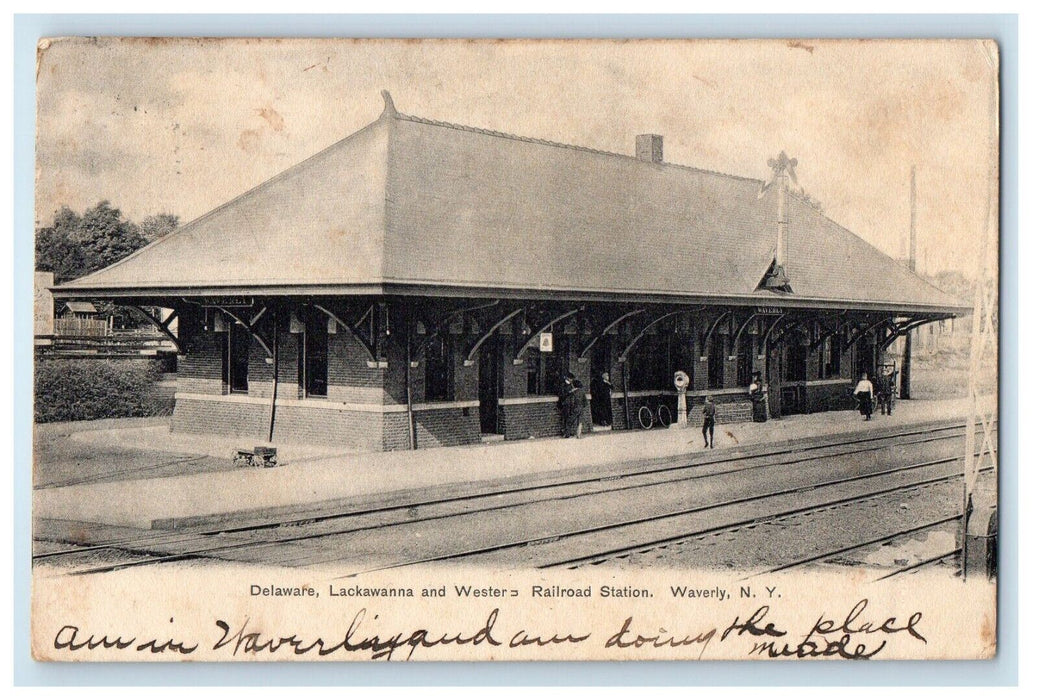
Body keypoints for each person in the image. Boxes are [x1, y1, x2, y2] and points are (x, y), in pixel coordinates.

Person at [559, 372, 578, 438]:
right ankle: (565, 432)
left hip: (570, 403)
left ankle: (568, 432)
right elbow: (562, 395)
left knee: (570, 418)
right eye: (571, 379)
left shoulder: (570, 385)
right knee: (565, 418)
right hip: (565, 404)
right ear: (568, 378)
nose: (572, 380)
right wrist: (570, 392)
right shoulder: (563, 385)